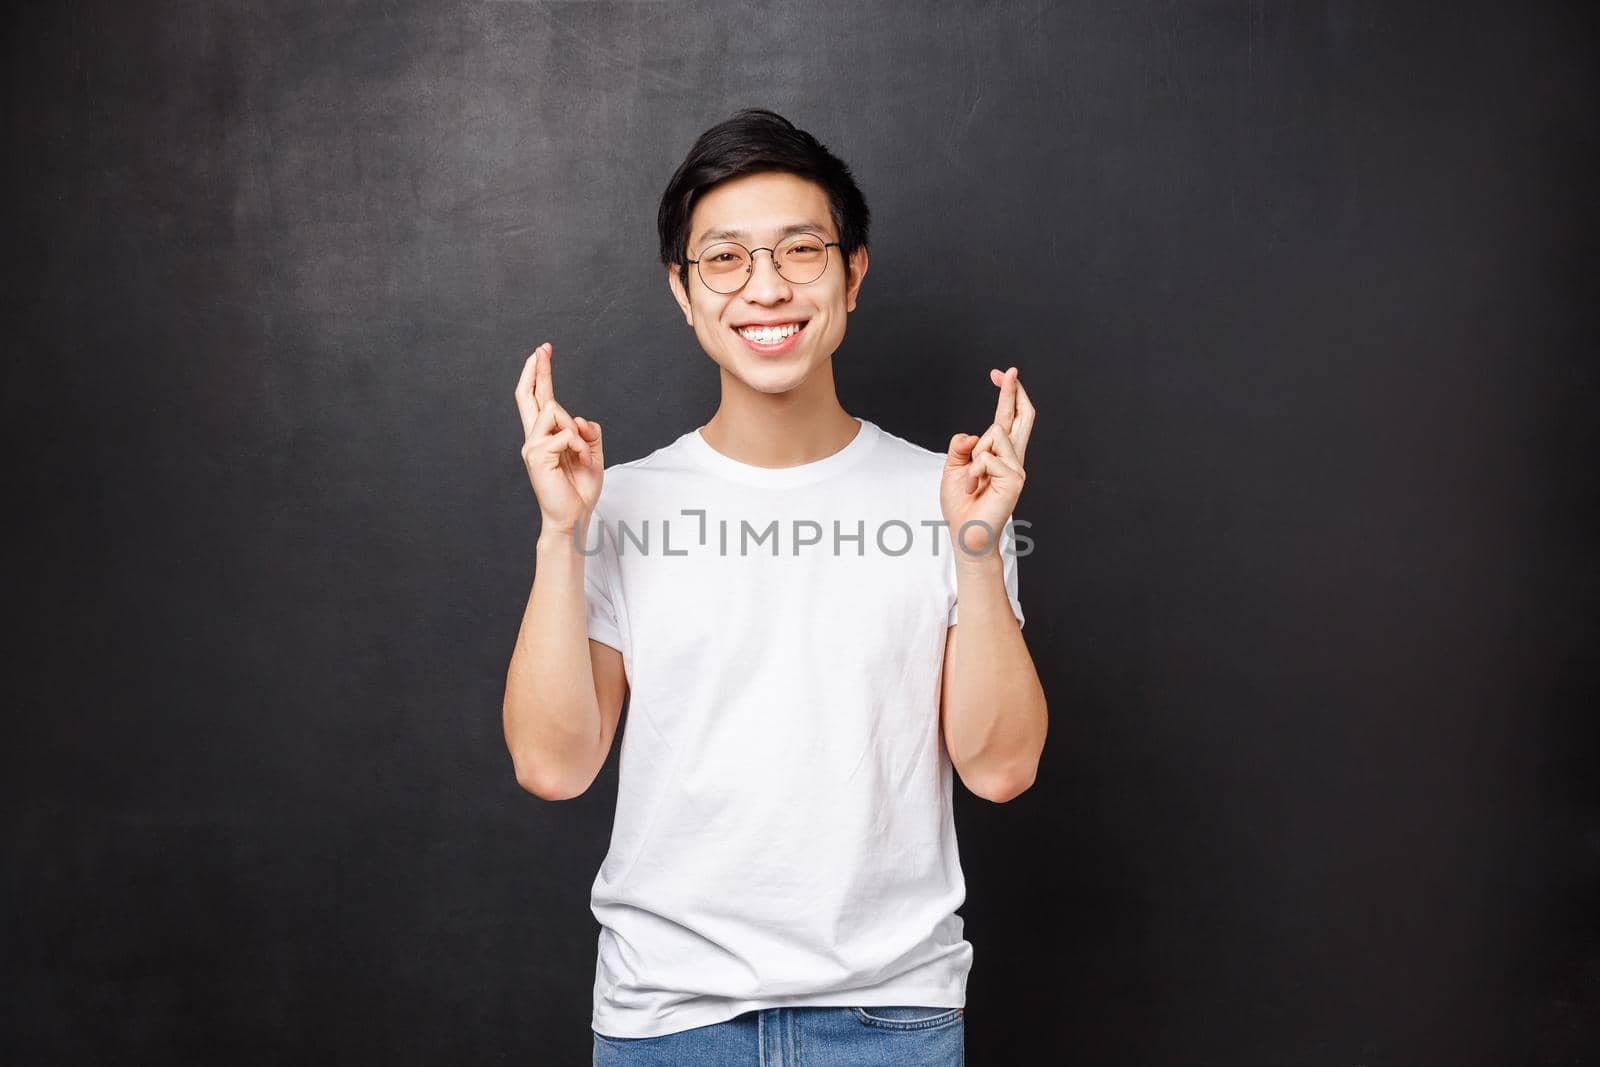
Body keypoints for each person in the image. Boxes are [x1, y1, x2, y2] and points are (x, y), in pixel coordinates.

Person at [504, 108, 1048, 1065]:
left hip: (893, 1020)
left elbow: (999, 768)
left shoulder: (952, 497)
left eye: (802, 250)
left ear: (853, 272)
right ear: (682, 289)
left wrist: (975, 541)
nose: (767, 288)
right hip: (667, 1023)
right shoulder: (618, 503)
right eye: (724, 259)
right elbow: (555, 765)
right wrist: (563, 531)